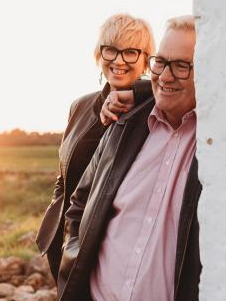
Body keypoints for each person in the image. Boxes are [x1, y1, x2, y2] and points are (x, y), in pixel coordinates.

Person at [58, 16, 201, 301]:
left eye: (182, 66)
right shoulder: (123, 127)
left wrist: (139, 91)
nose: (167, 75)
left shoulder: (215, 145)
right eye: (161, 62)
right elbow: (77, 205)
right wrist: (72, 269)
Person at [35, 13, 155, 282]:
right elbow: (64, 176)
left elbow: (189, 91)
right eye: (110, 49)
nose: (119, 60)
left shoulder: (154, 109)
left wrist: (142, 92)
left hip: (115, 248)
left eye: (131, 52)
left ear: (147, 60)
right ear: (98, 54)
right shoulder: (79, 106)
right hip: (67, 242)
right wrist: (58, 232)